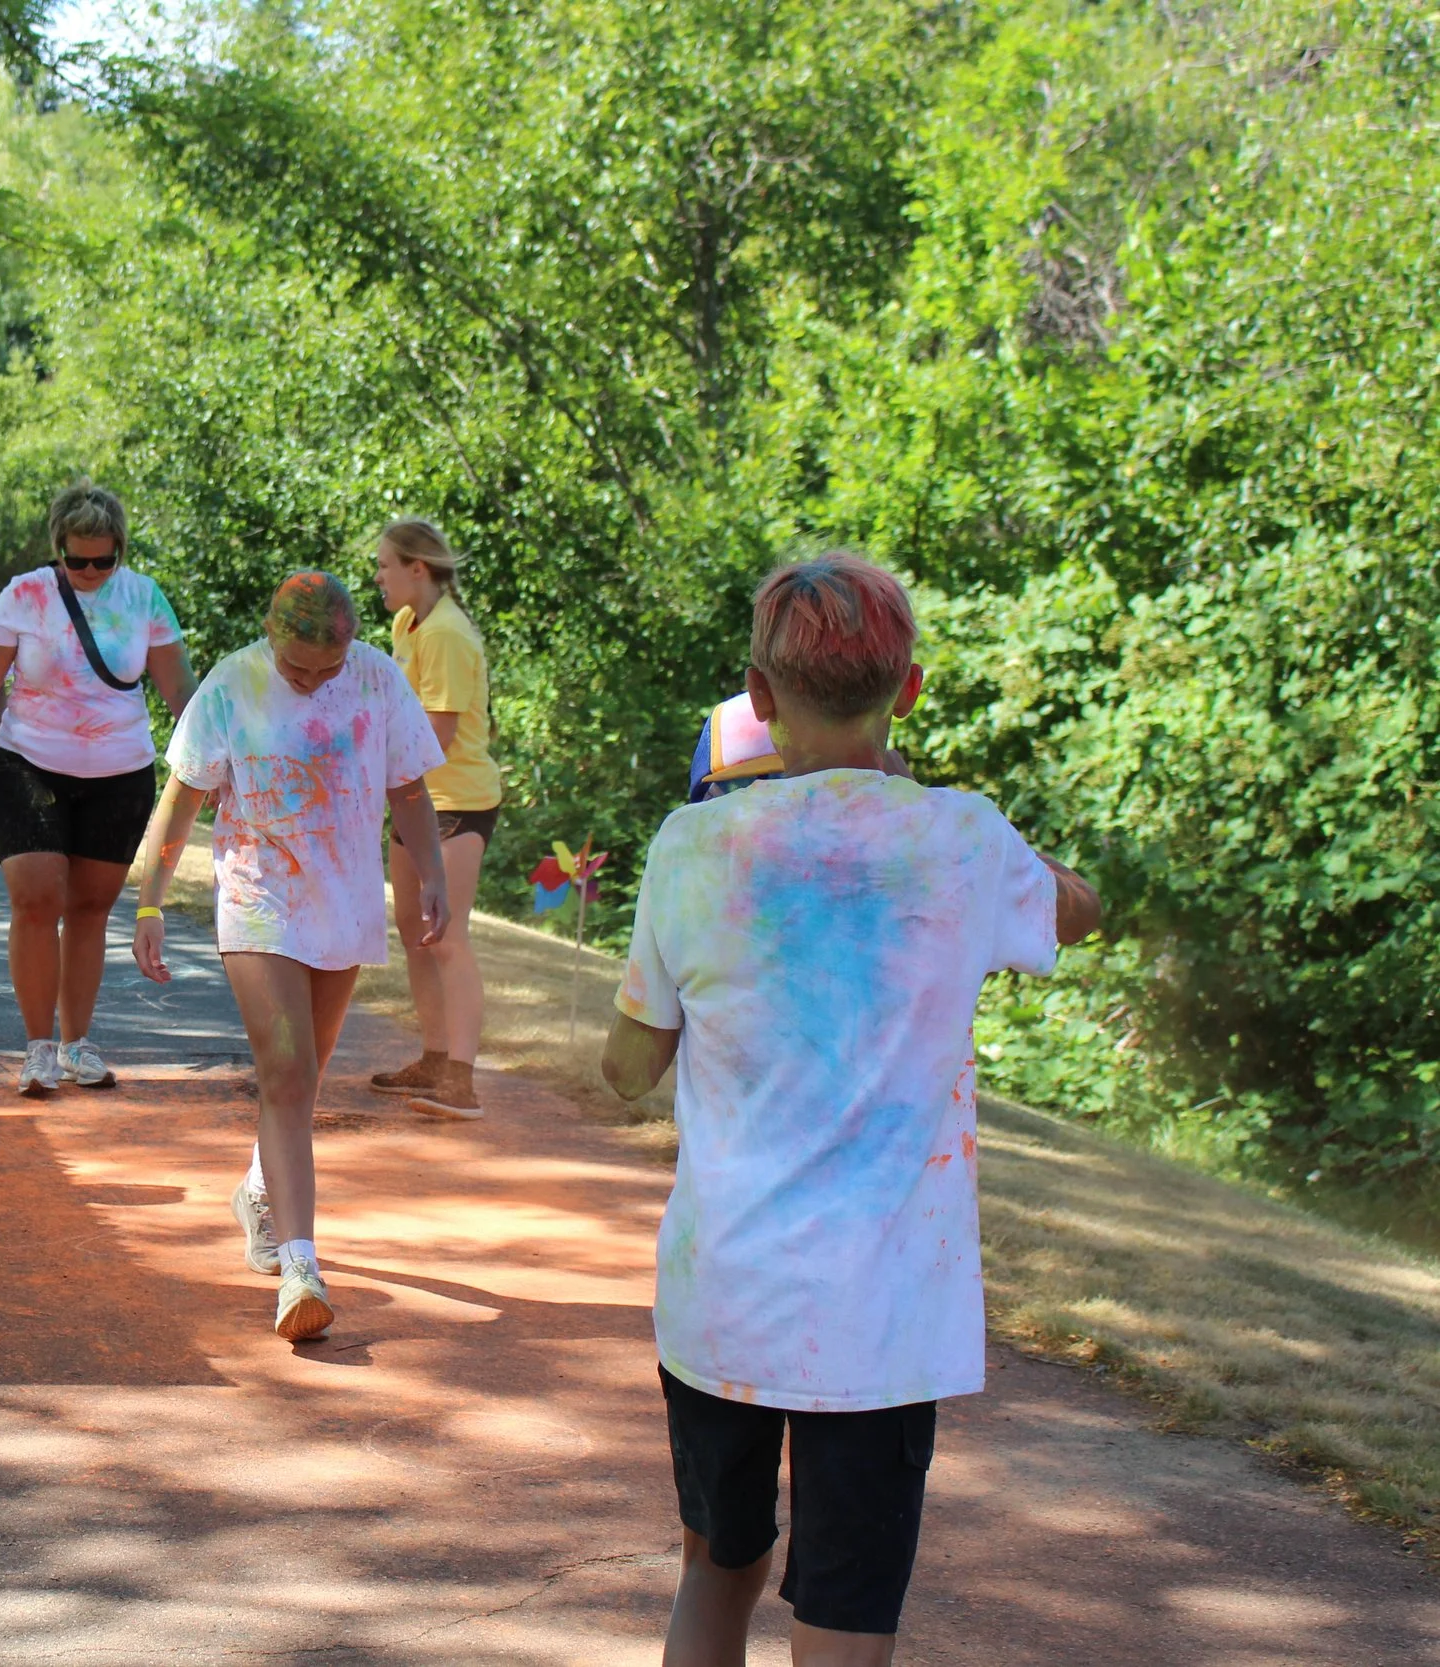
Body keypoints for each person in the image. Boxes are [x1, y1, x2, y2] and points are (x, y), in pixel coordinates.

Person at [599, 552, 1102, 1667]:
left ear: (758, 693)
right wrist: (1033, 865)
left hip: (724, 1291)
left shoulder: (695, 844)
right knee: (846, 1619)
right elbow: (1075, 913)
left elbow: (627, 1067)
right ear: (906, 689)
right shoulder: (965, 837)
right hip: (882, 1316)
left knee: (715, 1567)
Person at [132, 572, 449, 1340]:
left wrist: (433, 872)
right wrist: (151, 898)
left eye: (323, 670)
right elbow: (182, 798)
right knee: (286, 1071)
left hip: (341, 901)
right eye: (295, 667)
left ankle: (258, 1189)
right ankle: (302, 1268)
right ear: (271, 636)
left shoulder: (376, 676)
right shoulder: (232, 684)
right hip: (259, 898)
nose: (309, 682)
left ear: (348, 648)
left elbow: (408, 789)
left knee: (304, 1079)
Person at [0, 481, 195, 1095]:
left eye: (102, 560)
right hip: (29, 761)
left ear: (121, 552)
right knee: (36, 899)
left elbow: (180, 692)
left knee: (89, 910)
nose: (89, 570)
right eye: (76, 559)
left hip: (120, 772)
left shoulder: (144, 599)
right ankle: (36, 1050)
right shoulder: (25, 595)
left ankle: (75, 1045)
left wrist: (215, 764)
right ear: (56, 549)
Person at [366, 518, 502, 1120]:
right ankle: (434, 1055)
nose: (378, 577)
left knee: (445, 938)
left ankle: (462, 1081)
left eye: (385, 565)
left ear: (417, 569)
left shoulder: (446, 633)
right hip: (414, 795)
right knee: (415, 934)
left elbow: (438, 734)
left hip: (455, 800)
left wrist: (367, 767)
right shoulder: (407, 623)